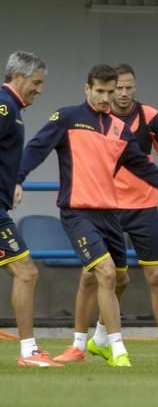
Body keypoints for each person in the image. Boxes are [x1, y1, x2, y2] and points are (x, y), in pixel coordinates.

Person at [16, 64, 158, 367]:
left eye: (112, 91)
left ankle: (99, 341)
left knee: (119, 278)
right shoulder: (68, 118)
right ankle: (116, 350)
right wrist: (17, 179)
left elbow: (146, 169)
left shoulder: (120, 129)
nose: (107, 97)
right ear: (87, 89)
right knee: (105, 273)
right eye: (101, 91)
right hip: (78, 213)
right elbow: (36, 148)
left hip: (110, 214)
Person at [53, 63, 158, 364]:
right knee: (93, 276)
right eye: (118, 89)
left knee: (155, 276)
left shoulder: (149, 117)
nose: (123, 94)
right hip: (105, 206)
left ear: (134, 87)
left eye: (128, 87)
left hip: (142, 206)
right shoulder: (95, 119)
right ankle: (79, 345)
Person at [0, 51, 62, 367]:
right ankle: (29, 352)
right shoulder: (4, 107)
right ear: (19, 77)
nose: (40, 89)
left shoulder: (12, 108)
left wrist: (11, 182)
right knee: (26, 272)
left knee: (24, 273)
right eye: (36, 82)